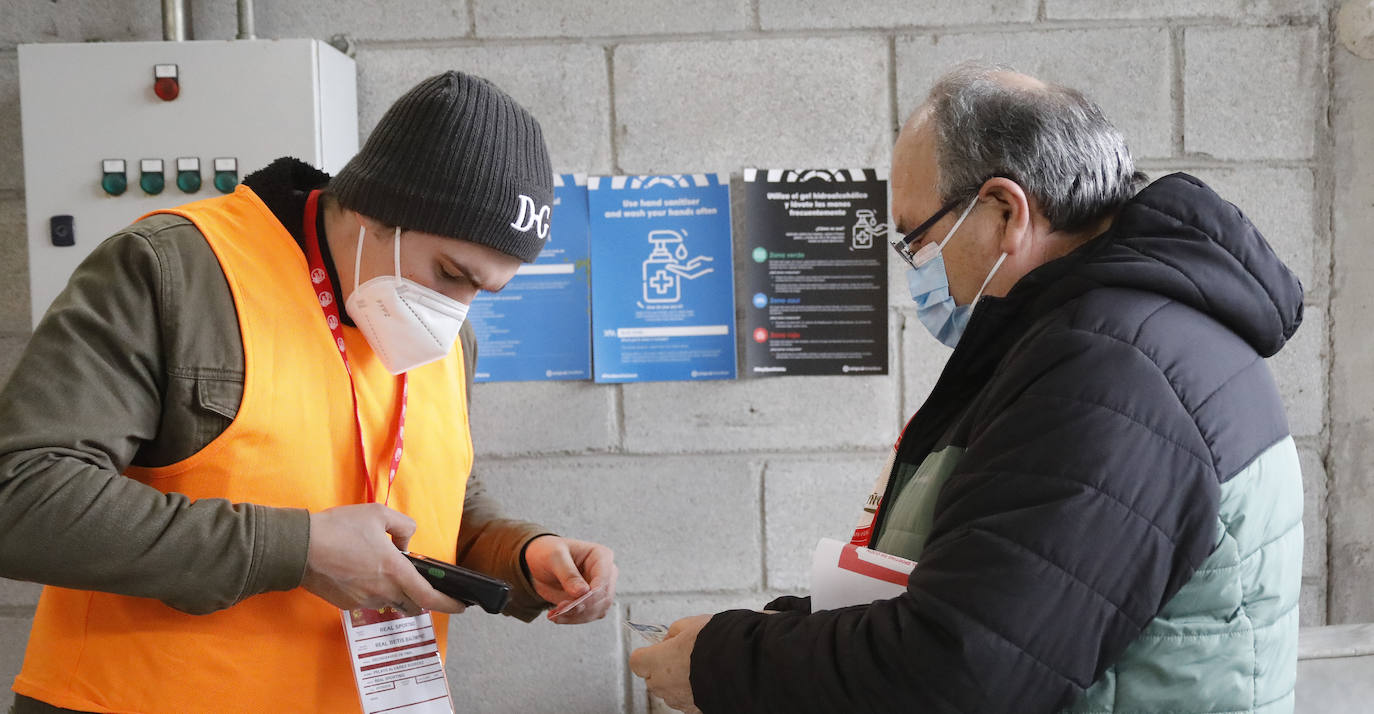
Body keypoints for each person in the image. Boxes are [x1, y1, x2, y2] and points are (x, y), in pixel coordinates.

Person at [630, 64, 1304, 714]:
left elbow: (959, 672)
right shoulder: (1129, 337)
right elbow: (987, 591)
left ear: (1006, 212)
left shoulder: (1112, 373)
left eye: (917, 237)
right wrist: (773, 633)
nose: (917, 266)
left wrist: (720, 662)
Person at [0, 71, 618, 713]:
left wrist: (522, 556)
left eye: (482, 291)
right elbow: (21, 495)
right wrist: (297, 551)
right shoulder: (178, 271)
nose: (454, 309)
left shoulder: (444, 337)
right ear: (377, 207)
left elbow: (432, 498)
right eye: (450, 273)